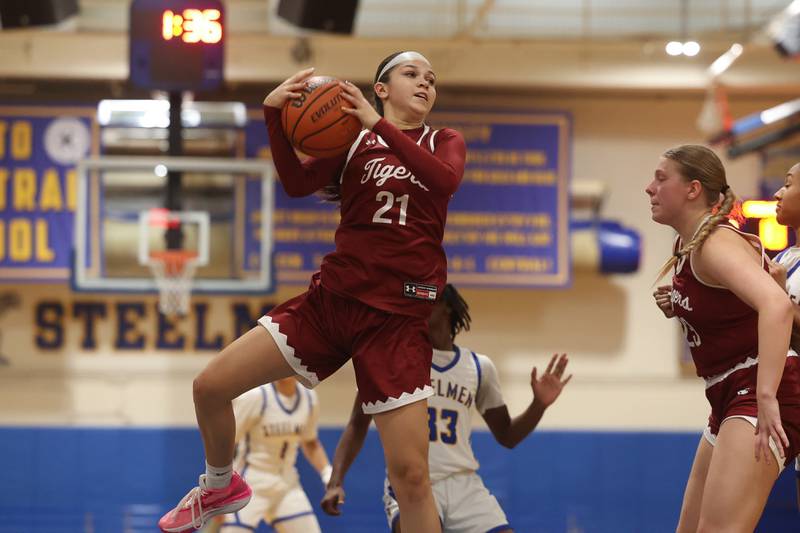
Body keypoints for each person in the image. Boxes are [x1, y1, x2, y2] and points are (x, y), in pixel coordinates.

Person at [158, 50, 466, 533]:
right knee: (209, 387)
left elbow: (444, 181)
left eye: (432, 78)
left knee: (411, 477)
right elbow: (297, 182)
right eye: (412, 74)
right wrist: (273, 117)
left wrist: (377, 127)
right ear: (380, 89)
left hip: (397, 321)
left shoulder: (443, 140)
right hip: (331, 305)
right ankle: (220, 485)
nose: (425, 82)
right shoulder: (352, 143)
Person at [320, 284, 571, 532]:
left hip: (464, 484)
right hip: (413, 483)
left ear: (447, 308)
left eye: (425, 300)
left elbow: (507, 436)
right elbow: (357, 424)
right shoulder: (392, 360)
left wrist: (539, 406)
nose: (414, 307)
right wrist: (335, 481)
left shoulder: (478, 366)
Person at [648, 145, 800, 532]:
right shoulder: (689, 245)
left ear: (693, 189)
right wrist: (680, 304)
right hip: (727, 392)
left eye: (662, 179)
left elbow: (778, 307)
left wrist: (766, 397)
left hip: (760, 389)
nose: (650, 188)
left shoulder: (715, 243)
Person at [212, 378, 331, 533]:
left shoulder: (309, 398)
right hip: (250, 482)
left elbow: (310, 443)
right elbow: (223, 443)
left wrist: (327, 473)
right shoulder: (255, 396)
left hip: (286, 483)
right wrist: (217, 490)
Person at [768, 161, 800, 512]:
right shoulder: (786, 257)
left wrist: (779, 301)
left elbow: (779, 310)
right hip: (788, 398)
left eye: (788, 185)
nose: (777, 193)